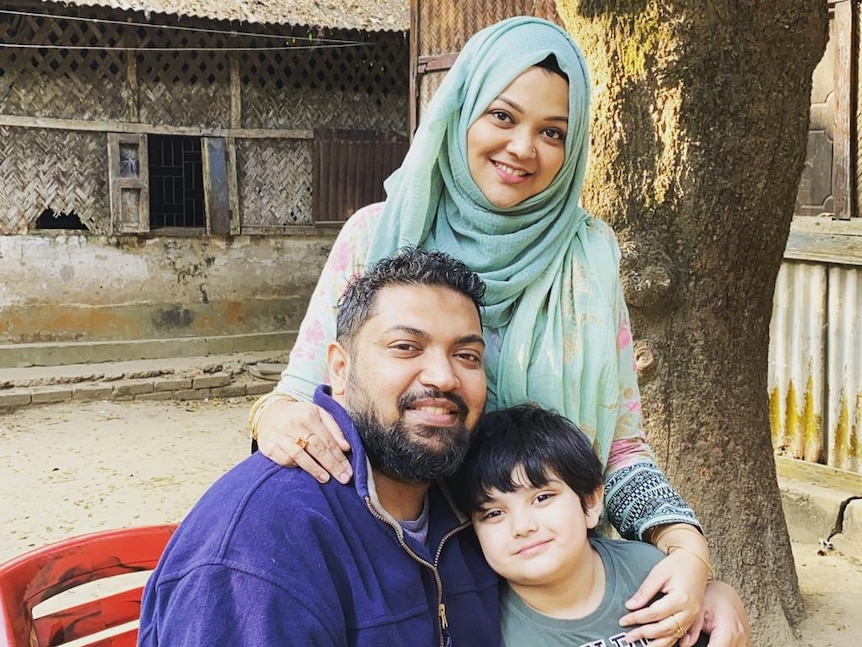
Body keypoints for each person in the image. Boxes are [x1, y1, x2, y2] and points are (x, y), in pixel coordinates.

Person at [248, 16, 749, 647]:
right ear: (461, 112)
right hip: (406, 578)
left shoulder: (589, 256)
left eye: (553, 132)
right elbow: (295, 402)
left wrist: (692, 558)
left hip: (556, 586)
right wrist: (273, 418)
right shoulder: (376, 236)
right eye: (503, 116)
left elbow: (617, 449)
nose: (522, 148)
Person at [138, 248, 500, 645]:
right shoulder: (261, 548)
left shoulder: (479, 509)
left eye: (467, 356)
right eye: (406, 347)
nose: (444, 377)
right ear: (341, 369)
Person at [451, 404, 718, 647]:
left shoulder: (651, 573)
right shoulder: (482, 625)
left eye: (542, 498)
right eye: (494, 513)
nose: (522, 526)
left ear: (590, 503)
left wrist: (716, 594)